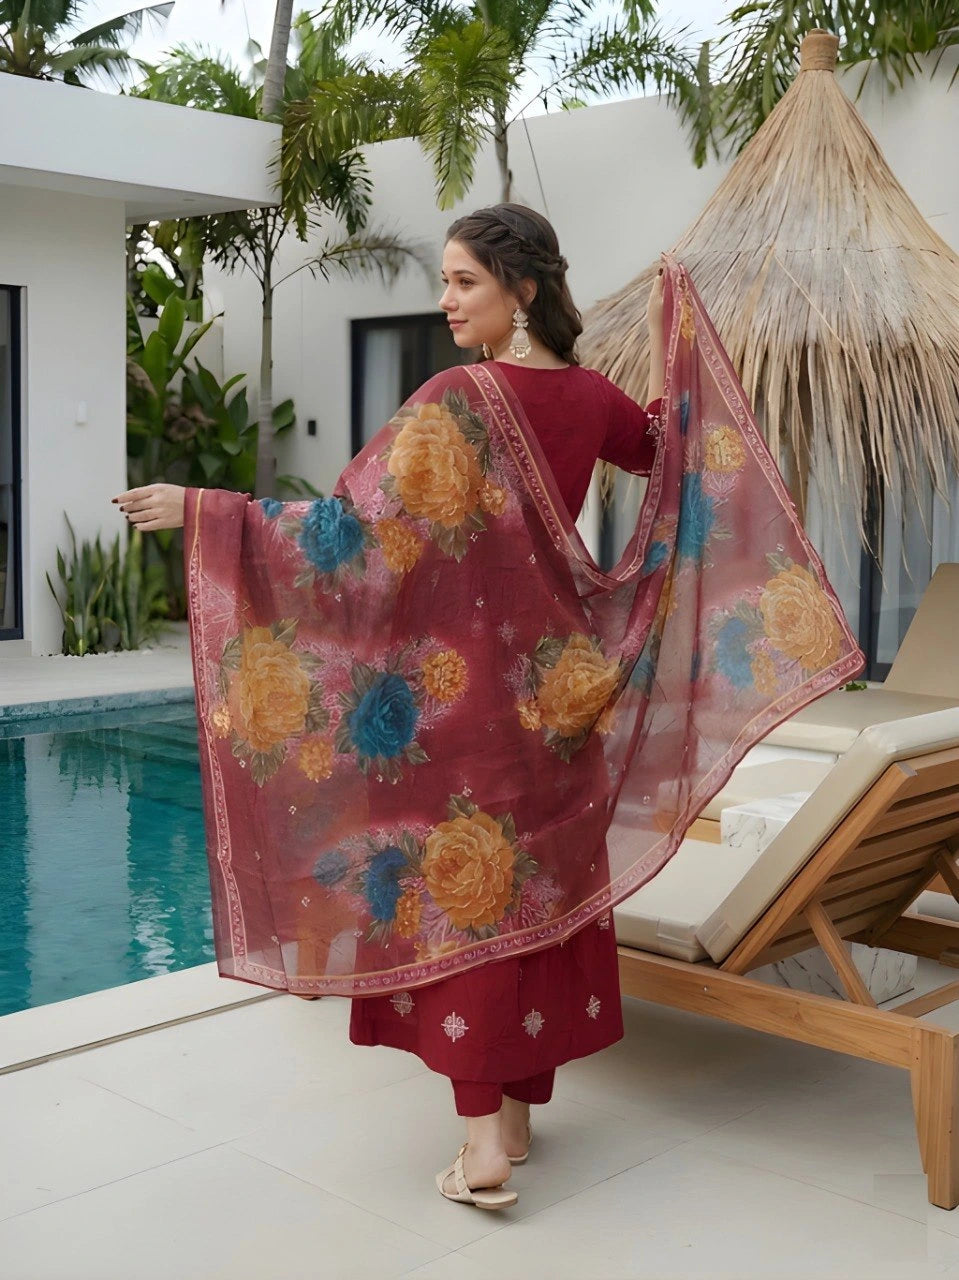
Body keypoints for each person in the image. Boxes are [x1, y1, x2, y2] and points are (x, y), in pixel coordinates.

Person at [114, 204, 861, 1211]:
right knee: (531, 897)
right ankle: (511, 1117)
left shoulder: (456, 399)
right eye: (445, 280)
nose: (446, 299)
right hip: (558, 695)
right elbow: (671, 460)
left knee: (465, 896)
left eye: (463, 280)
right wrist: (686, 357)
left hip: (462, 708)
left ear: (520, 288)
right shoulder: (591, 399)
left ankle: (480, 1151)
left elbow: (347, 534)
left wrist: (207, 511)